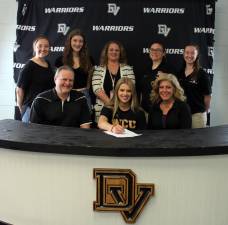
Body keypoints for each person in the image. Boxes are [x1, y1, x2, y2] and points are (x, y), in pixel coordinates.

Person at [92, 40, 135, 122]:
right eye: (111, 50)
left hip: (123, 112)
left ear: (120, 53)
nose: (114, 52)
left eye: (116, 50)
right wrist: (112, 106)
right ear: (106, 52)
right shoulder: (98, 70)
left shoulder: (128, 69)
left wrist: (119, 108)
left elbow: (131, 87)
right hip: (102, 110)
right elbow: (97, 89)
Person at [16, 35, 55, 122]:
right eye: (40, 46)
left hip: (45, 108)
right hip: (31, 109)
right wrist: (22, 109)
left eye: (46, 46)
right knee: (29, 135)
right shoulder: (29, 66)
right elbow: (19, 90)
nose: (43, 48)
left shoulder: (47, 64)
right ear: (34, 47)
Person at [55, 29, 94, 111]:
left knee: (85, 121)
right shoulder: (60, 60)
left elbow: (90, 78)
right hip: (65, 94)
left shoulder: (89, 59)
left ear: (83, 43)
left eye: (80, 41)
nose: (77, 44)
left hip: (83, 95)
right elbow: (56, 80)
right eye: (75, 40)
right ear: (70, 42)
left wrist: (85, 89)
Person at [177, 44, 212, 128]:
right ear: (183, 54)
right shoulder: (179, 73)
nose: (189, 55)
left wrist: (203, 113)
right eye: (187, 52)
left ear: (197, 55)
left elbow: (207, 96)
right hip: (181, 114)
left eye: (193, 53)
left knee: (196, 141)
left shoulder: (202, 74)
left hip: (197, 115)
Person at [140, 42, 176, 112]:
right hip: (144, 111)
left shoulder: (169, 70)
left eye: (158, 50)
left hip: (160, 111)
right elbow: (141, 91)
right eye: (152, 49)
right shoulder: (145, 69)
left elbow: (174, 92)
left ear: (163, 53)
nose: (154, 52)